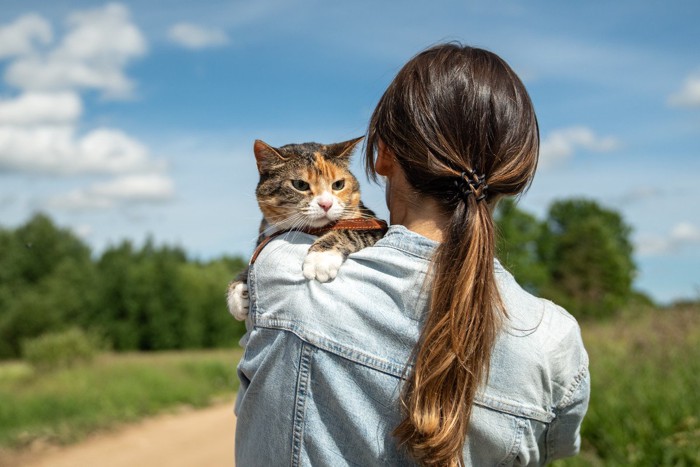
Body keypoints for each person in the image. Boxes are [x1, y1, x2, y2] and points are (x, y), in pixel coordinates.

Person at [234, 43, 589, 466]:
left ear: (383, 154)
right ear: (515, 173)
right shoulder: (556, 339)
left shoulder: (282, 274)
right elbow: (558, 449)